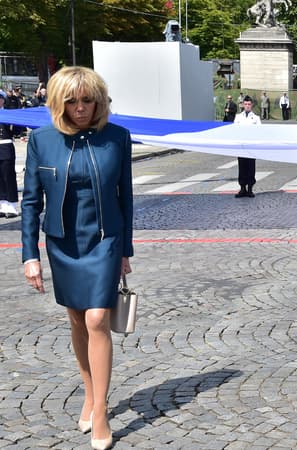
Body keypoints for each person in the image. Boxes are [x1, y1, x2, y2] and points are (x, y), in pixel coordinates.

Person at [21, 66, 134, 450]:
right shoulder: (42, 140)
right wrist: (29, 255)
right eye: (72, 101)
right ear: (58, 102)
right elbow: (31, 202)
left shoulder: (117, 138)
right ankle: (89, 392)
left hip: (105, 240)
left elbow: (126, 197)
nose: (81, 108)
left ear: (99, 101)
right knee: (77, 320)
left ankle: (100, 410)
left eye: (88, 100)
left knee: (98, 318)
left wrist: (125, 251)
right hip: (63, 243)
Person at [233, 95, 260, 198]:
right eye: (245, 104)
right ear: (243, 105)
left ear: (251, 105)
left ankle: (250, 189)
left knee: (251, 168)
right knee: (242, 167)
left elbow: (260, 132)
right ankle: (242, 188)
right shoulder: (238, 117)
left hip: (251, 147)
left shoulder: (256, 118)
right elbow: (235, 130)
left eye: (249, 104)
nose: (247, 106)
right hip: (241, 146)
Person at [0, 95, 19, 218]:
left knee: (8, 177)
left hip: (5, 147)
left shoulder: (8, 114)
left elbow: (17, 131)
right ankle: (2, 204)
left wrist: (13, 123)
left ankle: (11, 205)